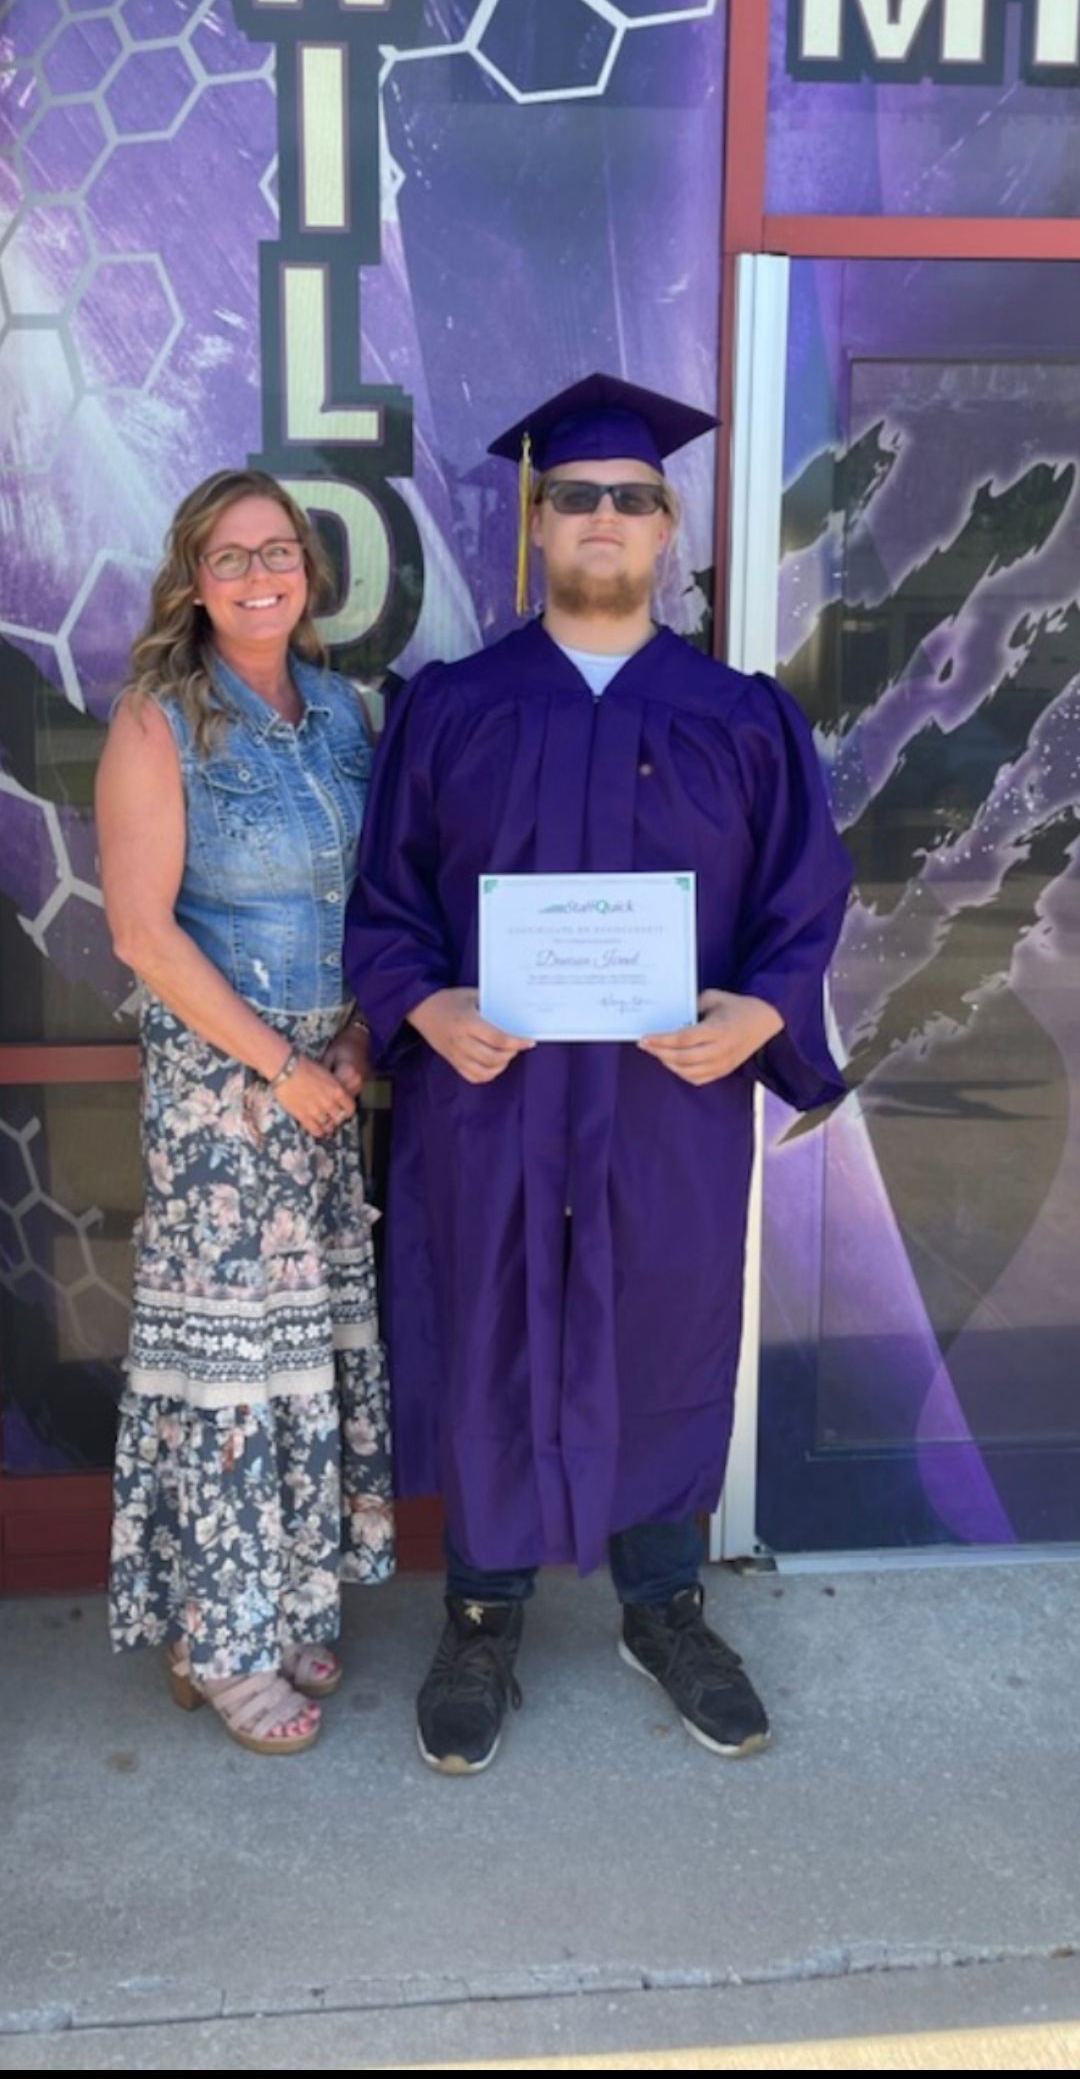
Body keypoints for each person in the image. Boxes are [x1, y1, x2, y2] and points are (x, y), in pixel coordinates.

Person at [345, 374, 852, 1776]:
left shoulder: (743, 716)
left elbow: (805, 901)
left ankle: (660, 1604)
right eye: (578, 498)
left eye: (632, 498)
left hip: (664, 1100)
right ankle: (483, 1611)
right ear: (538, 524)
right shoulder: (453, 707)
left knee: (665, 1324)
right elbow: (387, 904)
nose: (605, 519)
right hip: (490, 1095)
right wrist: (425, 1004)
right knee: (492, 1318)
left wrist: (761, 1017)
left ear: (667, 527)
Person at [97, 469, 393, 1755]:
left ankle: (273, 1602)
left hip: (327, 1081)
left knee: (299, 1357)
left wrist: (359, 1034)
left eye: (280, 551)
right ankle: (220, 1646)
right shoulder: (159, 721)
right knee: (224, 1367)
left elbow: (382, 897)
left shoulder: (344, 714)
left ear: (311, 572)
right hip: (229, 1098)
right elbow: (143, 936)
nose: (260, 574)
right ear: (193, 578)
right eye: (232, 557)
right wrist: (282, 1065)